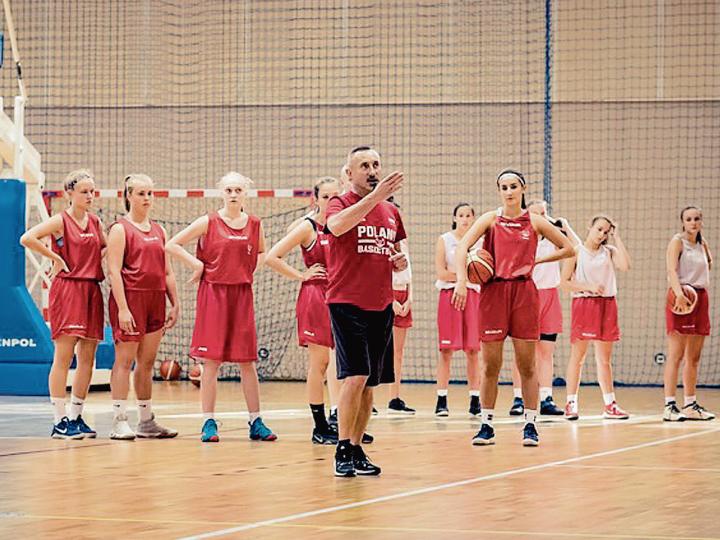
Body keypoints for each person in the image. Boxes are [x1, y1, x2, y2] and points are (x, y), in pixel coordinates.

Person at [453, 170, 573, 446]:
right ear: (499, 191)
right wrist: (461, 281)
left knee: (527, 364)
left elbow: (568, 248)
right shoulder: (490, 219)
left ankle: (530, 425)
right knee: (490, 365)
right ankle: (486, 425)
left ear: (523, 189)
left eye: (513, 186)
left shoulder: (535, 221)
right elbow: (462, 247)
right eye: (504, 187)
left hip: (524, 293)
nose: (508, 191)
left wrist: (538, 261)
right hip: (493, 293)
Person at [165, 172, 277, 442]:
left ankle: (256, 421)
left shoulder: (255, 224)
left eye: (238, 190)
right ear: (221, 193)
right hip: (213, 294)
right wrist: (197, 264)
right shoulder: (209, 221)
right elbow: (172, 244)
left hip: (242, 294)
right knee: (211, 363)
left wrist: (248, 270)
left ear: (246, 193)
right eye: (229, 190)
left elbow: (262, 252)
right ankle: (208, 422)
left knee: (247, 362)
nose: (233, 194)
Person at [325, 146, 406, 477]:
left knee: (370, 383)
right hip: (347, 302)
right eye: (364, 166)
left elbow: (394, 250)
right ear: (349, 173)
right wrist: (374, 198)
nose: (372, 171)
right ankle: (342, 448)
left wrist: (398, 261)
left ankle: (357, 448)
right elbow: (336, 227)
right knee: (355, 375)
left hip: (381, 303)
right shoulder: (339, 202)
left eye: (376, 165)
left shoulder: (391, 211)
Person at [20, 169, 105, 439]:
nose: (90, 196)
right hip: (68, 289)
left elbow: (104, 248)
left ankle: (76, 416)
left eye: (92, 191)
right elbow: (27, 237)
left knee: (88, 358)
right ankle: (59, 421)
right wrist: (54, 257)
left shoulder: (95, 222)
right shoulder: (60, 221)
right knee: (64, 356)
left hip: (92, 289)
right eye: (84, 191)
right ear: (70, 193)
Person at [265, 177, 342, 442]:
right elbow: (272, 257)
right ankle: (320, 427)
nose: (331, 201)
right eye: (326, 197)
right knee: (320, 363)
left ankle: (345, 422)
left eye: (336, 196)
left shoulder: (344, 226)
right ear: (315, 200)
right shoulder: (308, 228)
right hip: (315, 296)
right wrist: (301, 275)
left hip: (341, 296)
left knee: (345, 364)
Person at [107, 174, 179, 440]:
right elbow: (114, 271)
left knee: (147, 363)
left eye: (150, 193)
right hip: (131, 299)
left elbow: (167, 271)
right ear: (128, 196)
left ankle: (146, 422)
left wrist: (175, 303)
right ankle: (119, 420)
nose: (147, 198)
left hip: (155, 299)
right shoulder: (120, 229)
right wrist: (123, 308)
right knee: (124, 361)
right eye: (141, 193)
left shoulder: (160, 231)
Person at [508, 199, 581, 417]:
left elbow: (577, 248)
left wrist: (564, 226)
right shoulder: (520, 237)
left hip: (549, 296)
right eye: (537, 213)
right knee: (522, 352)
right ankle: (518, 398)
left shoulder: (553, 238)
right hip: (525, 295)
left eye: (544, 212)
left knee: (546, 351)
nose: (542, 216)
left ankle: (546, 398)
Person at [561, 215, 631, 421]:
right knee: (578, 357)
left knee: (604, 359)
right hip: (584, 304)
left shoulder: (610, 251)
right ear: (589, 227)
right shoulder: (576, 251)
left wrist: (617, 237)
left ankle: (610, 405)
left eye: (606, 232)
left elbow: (625, 266)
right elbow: (564, 283)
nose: (602, 234)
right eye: (599, 229)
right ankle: (571, 403)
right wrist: (588, 286)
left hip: (607, 305)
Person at [663, 206, 714, 421]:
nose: (693, 222)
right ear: (683, 222)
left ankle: (690, 405)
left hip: (700, 298)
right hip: (681, 297)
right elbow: (671, 270)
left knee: (694, 357)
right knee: (676, 355)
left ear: (701, 221)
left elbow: (709, 264)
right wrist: (679, 294)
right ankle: (669, 406)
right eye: (689, 219)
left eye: (696, 219)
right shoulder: (677, 241)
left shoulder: (703, 244)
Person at [434, 203, 482, 417]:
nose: (464, 219)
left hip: (473, 296)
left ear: (473, 218)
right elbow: (441, 273)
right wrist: (464, 277)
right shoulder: (445, 240)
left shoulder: (480, 241)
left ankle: (475, 399)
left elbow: (483, 274)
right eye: (460, 215)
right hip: (449, 296)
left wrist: (466, 277)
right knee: (446, 350)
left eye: (468, 215)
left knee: (473, 350)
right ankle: (441, 400)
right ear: (454, 218)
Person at [388, 234, 415, 415]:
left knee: (398, 352)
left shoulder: (404, 243)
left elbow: (408, 274)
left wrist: (410, 298)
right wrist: (390, 299)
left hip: (403, 296)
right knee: (376, 351)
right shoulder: (381, 240)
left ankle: (394, 398)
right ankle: (367, 396)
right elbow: (375, 275)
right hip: (385, 295)